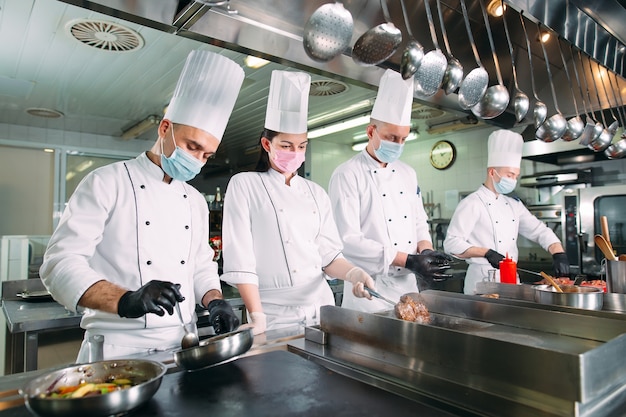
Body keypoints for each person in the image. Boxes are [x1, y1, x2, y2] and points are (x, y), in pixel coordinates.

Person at [40, 50, 244, 361]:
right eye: (193, 146)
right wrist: (127, 300)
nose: (198, 161)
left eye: (206, 155)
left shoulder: (194, 202)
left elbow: (201, 265)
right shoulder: (107, 182)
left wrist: (214, 300)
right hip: (115, 348)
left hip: (181, 344)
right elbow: (59, 264)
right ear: (165, 128)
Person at [221, 70, 376, 335]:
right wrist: (256, 315)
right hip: (272, 314)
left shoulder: (316, 192)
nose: (295, 153)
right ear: (267, 144)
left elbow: (327, 256)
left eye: (301, 146)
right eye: (286, 145)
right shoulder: (244, 184)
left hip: (321, 310)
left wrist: (353, 273)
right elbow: (240, 259)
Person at [328, 69, 452, 314]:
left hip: (407, 286)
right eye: (391, 137)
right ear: (371, 131)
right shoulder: (347, 174)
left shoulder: (408, 173)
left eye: (403, 139)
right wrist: (408, 260)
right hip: (368, 288)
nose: (398, 145)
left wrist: (425, 251)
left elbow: (418, 221)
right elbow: (348, 240)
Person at [444, 129, 570, 294]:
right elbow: (451, 243)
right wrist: (486, 253)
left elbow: (539, 230)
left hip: (510, 279)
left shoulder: (513, 204)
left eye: (516, 176)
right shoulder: (472, 203)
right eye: (509, 175)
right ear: (492, 172)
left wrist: (558, 252)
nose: (513, 180)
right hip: (482, 281)